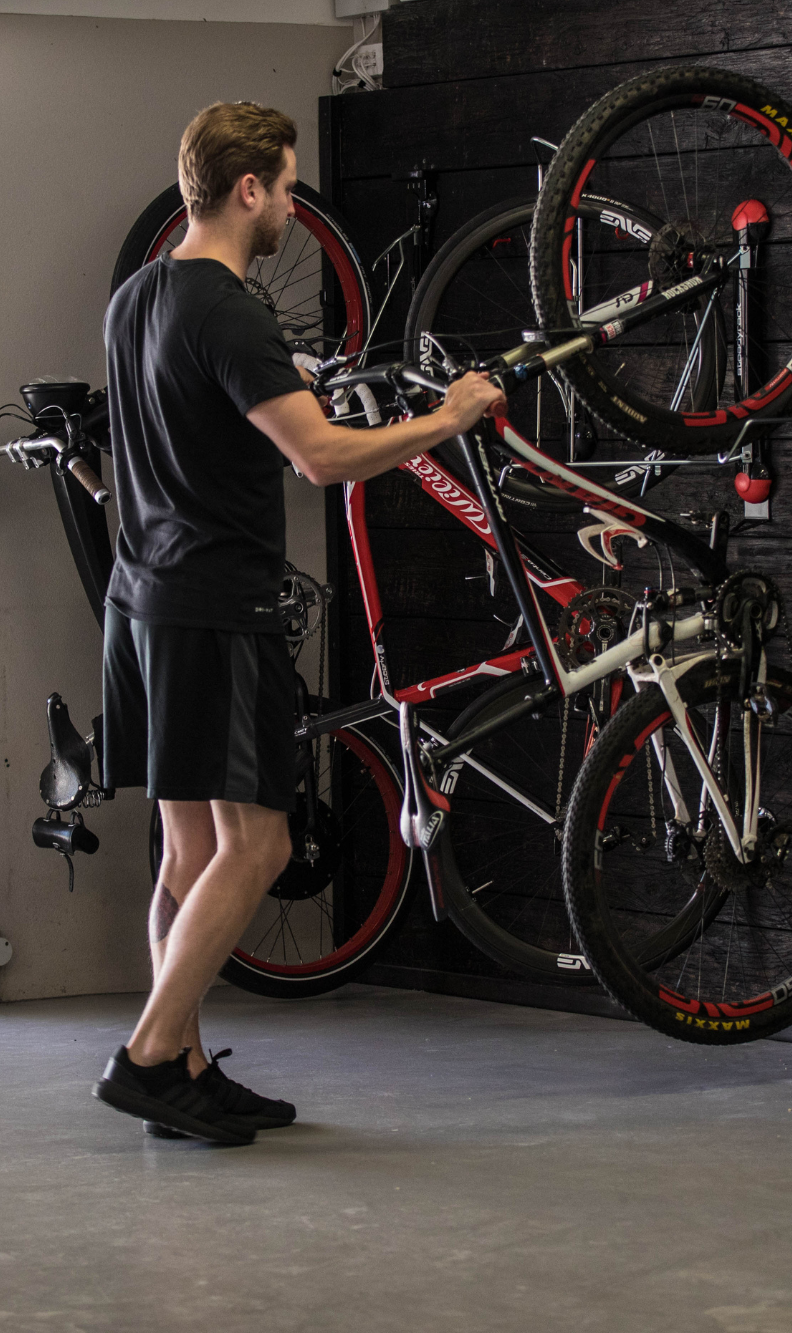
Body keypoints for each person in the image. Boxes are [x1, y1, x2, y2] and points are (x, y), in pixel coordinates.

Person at [93, 102, 504, 1145]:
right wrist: (450, 417)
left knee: (189, 854)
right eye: (282, 186)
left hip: (141, 595)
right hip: (214, 609)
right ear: (246, 191)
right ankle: (146, 1053)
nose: (288, 205)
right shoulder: (231, 311)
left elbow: (209, 415)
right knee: (263, 842)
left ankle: (183, 1064)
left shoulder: (139, 296)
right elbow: (319, 457)